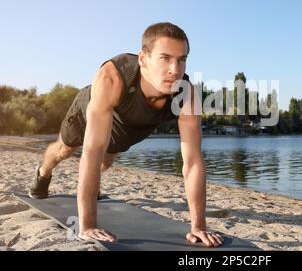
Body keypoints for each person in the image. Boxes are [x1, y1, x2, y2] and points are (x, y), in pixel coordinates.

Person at [28, 22, 223, 247]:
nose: (175, 69)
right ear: (143, 59)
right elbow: (92, 151)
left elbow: (193, 162)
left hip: (129, 128)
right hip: (90, 111)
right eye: (165, 58)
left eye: (181, 59)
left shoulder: (187, 95)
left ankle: (94, 185)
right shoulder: (113, 77)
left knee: (107, 161)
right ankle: (43, 173)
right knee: (65, 149)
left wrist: (198, 226)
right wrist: (88, 225)